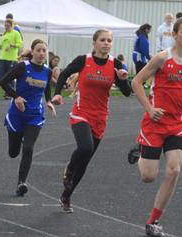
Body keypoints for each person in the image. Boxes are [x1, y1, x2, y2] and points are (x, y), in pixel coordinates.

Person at [129, 17, 182, 236]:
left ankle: (153, 222)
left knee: (174, 170)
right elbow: (136, 82)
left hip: (178, 124)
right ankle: (141, 145)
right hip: (154, 123)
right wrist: (148, 108)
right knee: (148, 177)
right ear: (174, 35)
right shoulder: (161, 59)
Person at [51, 28, 131, 213]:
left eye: (109, 40)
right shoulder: (83, 60)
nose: (106, 43)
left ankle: (66, 196)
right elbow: (63, 74)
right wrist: (57, 95)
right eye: (102, 40)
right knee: (85, 147)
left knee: (85, 161)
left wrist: (124, 80)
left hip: (100, 117)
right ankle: (69, 169)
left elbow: (126, 93)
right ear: (94, 44)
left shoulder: (115, 64)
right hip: (81, 113)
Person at [0, 39, 56, 196]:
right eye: (38, 50)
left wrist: (49, 101)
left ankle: (21, 183)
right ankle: (19, 140)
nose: (41, 53)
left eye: (44, 50)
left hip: (34, 115)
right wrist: (16, 96)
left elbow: (47, 90)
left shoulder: (47, 71)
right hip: (17, 115)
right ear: (32, 52)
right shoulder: (22, 67)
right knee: (13, 152)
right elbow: (3, 82)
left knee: (29, 148)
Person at [0, 18, 23, 100]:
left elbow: (20, 43)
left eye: (7, 26)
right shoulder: (4, 35)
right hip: (3, 57)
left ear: (11, 26)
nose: (6, 27)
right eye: (5, 26)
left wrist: (11, 45)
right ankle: (8, 90)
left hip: (11, 58)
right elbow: (2, 47)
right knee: (0, 75)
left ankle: (9, 93)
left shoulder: (15, 33)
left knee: (10, 75)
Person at [132, 23, 152, 89]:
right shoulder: (142, 36)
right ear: (146, 29)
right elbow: (144, 48)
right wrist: (148, 57)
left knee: (141, 71)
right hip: (139, 56)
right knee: (141, 72)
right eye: (149, 30)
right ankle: (137, 87)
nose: (150, 31)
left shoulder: (139, 35)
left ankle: (141, 85)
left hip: (138, 55)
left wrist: (147, 55)